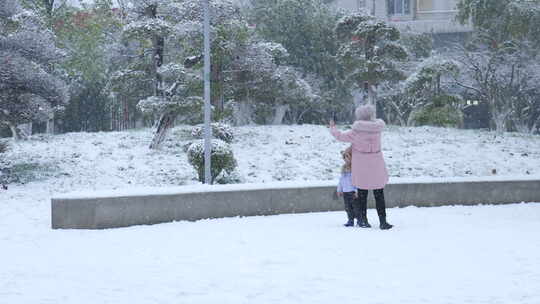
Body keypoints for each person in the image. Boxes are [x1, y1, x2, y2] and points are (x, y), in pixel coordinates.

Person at [328, 104, 393, 230]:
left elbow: (340, 136)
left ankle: (363, 220)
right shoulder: (377, 129)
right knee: (379, 194)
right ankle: (383, 221)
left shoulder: (356, 131)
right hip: (376, 165)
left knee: (362, 194)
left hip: (362, 167)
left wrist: (332, 127)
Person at [336, 146, 361, 227]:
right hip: (345, 192)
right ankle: (350, 220)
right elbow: (341, 180)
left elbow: (357, 180)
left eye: (347, 157)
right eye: (344, 157)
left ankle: (359, 220)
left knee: (356, 207)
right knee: (348, 207)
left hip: (353, 192)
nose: (346, 159)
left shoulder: (355, 168)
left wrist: (357, 190)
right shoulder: (343, 168)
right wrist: (339, 190)